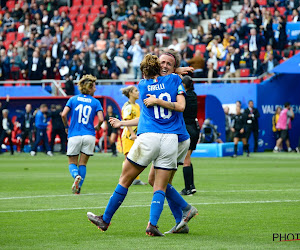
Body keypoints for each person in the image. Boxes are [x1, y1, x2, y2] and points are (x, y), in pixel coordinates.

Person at [87, 54, 197, 236]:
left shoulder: (143, 85)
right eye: (162, 63)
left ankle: (105, 219)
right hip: (171, 138)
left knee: (125, 179)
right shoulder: (175, 81)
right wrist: (175, 71)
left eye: (169, 63)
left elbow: (160, 96)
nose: (165, 65)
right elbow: (171, 87)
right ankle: (164, 221)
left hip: (151, 136)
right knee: (158, 184)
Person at [61, 75, 104, 194]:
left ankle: (75, 175)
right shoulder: (95, 102)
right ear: (89, 88)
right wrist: (97, 126)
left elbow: (63, 114)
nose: (95, 89)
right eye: (94, 87)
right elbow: (101, 118)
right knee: (83, 163)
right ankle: (78, 189)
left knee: (72, 162)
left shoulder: (73, 99)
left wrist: (66, 127)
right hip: (89, 135)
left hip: (74, 134)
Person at [121, 86, 146, 185]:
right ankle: (124, 178)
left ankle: (136, 179)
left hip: (136, 135)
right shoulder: (128, 106)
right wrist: (132, 134)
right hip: (128, 136)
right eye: (136, 91)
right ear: (130, 93)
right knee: (128, 158)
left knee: (137, 157)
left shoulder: (137, 106)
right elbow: (126, 120)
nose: (138, 93)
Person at [179, 76, 200, 196]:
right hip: (195, 128)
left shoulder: (185, 96)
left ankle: (188, 189)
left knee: (185, 160)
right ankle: (191, 186)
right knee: (188, 159)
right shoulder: (193, 95)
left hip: (187, 128)